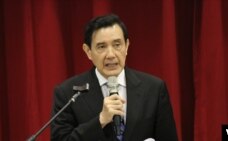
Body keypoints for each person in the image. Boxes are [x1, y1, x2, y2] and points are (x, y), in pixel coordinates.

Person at [51, 13, 178, 141]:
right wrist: (100, 120)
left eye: (117, 45)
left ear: (127, 46)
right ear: (88, 51)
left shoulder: (154, 89)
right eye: (101, 47)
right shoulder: (67, 93)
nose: (111, 54)